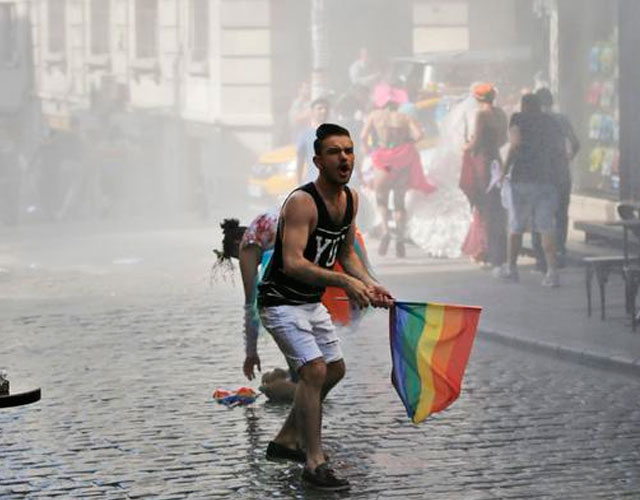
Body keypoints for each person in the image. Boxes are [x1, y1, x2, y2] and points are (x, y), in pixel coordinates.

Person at [257, 123, 393, 491]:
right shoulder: (301, 202)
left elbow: (346, 253)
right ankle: (314, 463)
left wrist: (369, 283)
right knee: (315, 371)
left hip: (309, 302)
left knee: (334, 370)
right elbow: (293, 262)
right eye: (334, 152)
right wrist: (346, 283)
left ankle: (287, 438)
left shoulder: (351, 199)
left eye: (348, 150)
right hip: (280, 301)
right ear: (318, 160)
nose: (344, 158)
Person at [360, 87, 436, 257]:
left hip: (383, 161)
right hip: (402, 160)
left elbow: (363, 137)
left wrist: (369, 151)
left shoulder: (374, 116)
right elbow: (418, 136)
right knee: (399, 202)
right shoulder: (404, 117)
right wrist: (406, 140)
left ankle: (386, 230)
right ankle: (400, 236)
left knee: (382, 200)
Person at [500, 93, 564, 287]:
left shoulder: (518, 118)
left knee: (516, 225)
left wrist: (504, 171)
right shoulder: (551, 122)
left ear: (524, 105)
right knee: (546, 227)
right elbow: (560, 149)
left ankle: (512, 268)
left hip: (523, 179)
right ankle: (552, 272)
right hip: (547, 179)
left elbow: (515, 144)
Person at [531, 87, 580, 271]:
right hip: (561, 174)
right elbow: (575, 143)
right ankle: (559, 252)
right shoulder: (562, 119)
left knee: (539, 216)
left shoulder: (533, 121)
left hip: (541, 176)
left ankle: (541, 259)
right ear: (551, 101)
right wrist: (567, 159)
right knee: (560, 215)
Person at [462, 83, 509, 270]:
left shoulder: (481, 115)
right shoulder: (501, 114)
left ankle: (486, 251)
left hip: (481, 161)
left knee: (483, 206)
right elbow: (504, 139)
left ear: (478, 99)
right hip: (496, 159)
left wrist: (466, 146)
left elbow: (477, 140)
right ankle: (499, 251)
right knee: (497, 206)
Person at [296, 98, 330, 185]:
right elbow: (300, 160)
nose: (323, 111)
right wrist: (298, 182)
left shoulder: (335, 133)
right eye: (320, 108)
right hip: (313, 183)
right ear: (312, 112)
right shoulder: (305, 135)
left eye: (325, 108)